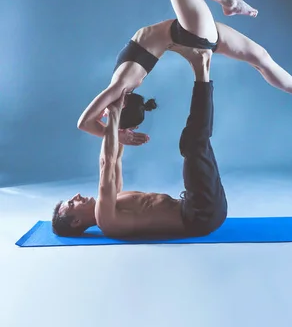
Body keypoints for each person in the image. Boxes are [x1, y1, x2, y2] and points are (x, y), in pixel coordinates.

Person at [76, 0, 292, 148]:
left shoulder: (124, 86)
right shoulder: (121, 87)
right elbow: (84, 123)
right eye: (109, 112)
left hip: (187, 35)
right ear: (119, 107)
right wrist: (115, 134)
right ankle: (230, 1)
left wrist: (114, 129)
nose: (103, 111)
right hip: (189, 33)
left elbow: (95, 119)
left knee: (260, 57)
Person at [52, 47, 227, 239]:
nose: (76, 196)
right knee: (193, 143)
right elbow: (106, 163)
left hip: (199, 207)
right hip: (199, 215)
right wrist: (114, 114)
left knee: (193, 143)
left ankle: (202, 70)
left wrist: (118, 133)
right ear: (76, 221)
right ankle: (201, 68)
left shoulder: (114, 200)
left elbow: (114, 158)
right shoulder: (106, 219)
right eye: (71, 204)